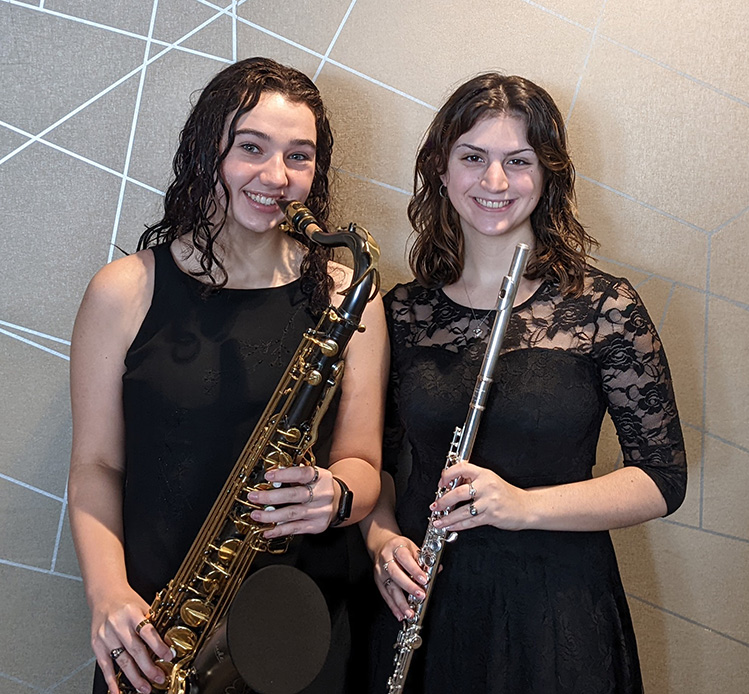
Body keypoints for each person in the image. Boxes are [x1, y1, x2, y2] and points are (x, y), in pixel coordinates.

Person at [68, 57, 387, 694]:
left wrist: (338, 495)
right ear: (207, 150)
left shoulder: (351, 293)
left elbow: (362, 461)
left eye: (300, 156)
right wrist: (107, 594)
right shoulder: (123, 290)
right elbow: (96, 465)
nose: (276, 176)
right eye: (251, 148)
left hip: (301, 626)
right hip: (157, 632)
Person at [361, 73, 687, 693]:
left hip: (559, 612)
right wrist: (380, 540)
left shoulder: (603, 306)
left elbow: (662, 479)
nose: (494, 183)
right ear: (441, 167)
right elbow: (371, 461)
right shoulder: (402, 311)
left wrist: (523, 505)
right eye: (473, 158)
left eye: (518, 161)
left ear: (548, 174)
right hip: (431, 607)